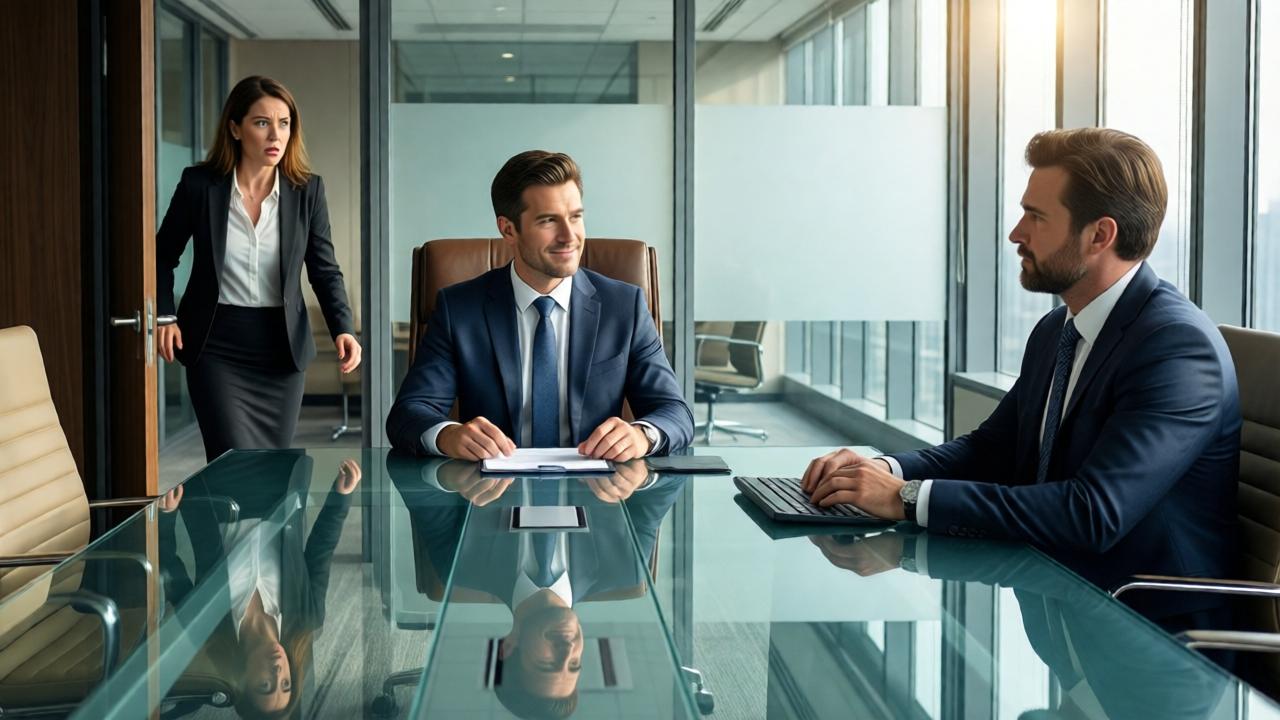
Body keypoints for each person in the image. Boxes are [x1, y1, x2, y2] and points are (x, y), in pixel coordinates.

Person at [801, 128, 1241, 630]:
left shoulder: (1177, 349)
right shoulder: (1060, 329)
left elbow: (1092, 513)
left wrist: (904, 499)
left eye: (1036, 217)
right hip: (1064, 607)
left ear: (1100, 235)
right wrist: (882, 471)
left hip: (1153, 638)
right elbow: (992, 449)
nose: (1016, 233)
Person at [386, 150, 693, 461]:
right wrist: (448, 435)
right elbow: (409, 413)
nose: (569, 236)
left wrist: (642, 435)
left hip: (596, 494)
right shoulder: (459, 309)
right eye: (549, 221)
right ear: (508, 229)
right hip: (492, 496)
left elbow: (674, 412)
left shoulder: (624, 306)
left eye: (576, 216)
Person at [156, 75, 361, 462]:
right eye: (261, 122)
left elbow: (324, 269)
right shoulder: (200, 186)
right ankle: (215, 524)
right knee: (229, 463)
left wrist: (343, 329)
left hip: (279, 350)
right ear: (235, 128)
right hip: (216, 346)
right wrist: (165, 315)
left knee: (271, 468)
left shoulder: (307, 191)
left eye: (283, 123)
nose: (275, 135)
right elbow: (162, 254)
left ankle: (252, 526)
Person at [388, 456, 686, 719]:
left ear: (507, 647)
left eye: (548, 664)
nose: (568, 649)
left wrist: (447, 473)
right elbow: (676, 470)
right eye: (574, 663)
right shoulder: (624, 566)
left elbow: (405, 471)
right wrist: (644, 475)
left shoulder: (461, 565)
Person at [158, 453, 360, 718]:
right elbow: (320, 550)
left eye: (265, 685)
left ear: (242, 681)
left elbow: (170, 571)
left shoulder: (208, 633)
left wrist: (166, 517)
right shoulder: (306, 618)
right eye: (286, 683)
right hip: (279, 483)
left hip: (218, 491)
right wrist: (341, 496)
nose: (278, 671)